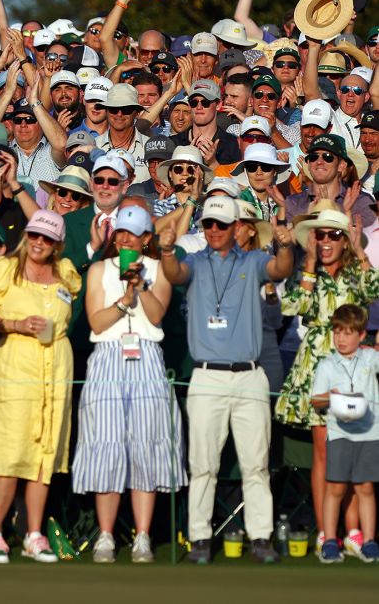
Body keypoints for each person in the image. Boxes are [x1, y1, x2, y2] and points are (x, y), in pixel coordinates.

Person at [159, 196, 294, 564]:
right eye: (208, 225)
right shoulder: (195, 262)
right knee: (202, 464)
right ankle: (200, 538)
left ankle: (261, 537)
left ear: (237, 228)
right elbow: (174, 275)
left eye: (221, 225)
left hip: (249, 374)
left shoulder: (252, 260)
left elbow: (280, 270)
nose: (214, 231)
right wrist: (168, 251)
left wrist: (283, 243)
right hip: (206, 376)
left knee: (256, 464)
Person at [72, 205, 185, 564]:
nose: (124, 240)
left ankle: (142, 536)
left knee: (146, 447)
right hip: (107, 356)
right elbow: (96, 321)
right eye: (120, 233)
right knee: (105, 443)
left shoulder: (156, 269)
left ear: (146, 239)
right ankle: (105, 535)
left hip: (148, 357)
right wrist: (123, 301)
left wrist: (139, 286)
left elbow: (155, 315)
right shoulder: (99, 269)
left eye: (131, 234)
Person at [0, 210, 81, 563]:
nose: (39, 243)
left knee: (44, 452)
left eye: (47, 238)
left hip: (57, 366)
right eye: (34, 235)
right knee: (10, 451)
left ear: (57, 244)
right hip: (16, 364)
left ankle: (34, 534)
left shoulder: (66, 273)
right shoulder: (4, 269)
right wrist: (17, 323)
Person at [276, 208, 378, 557]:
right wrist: (306, 265)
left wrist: (360, 250)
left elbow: (375, 287)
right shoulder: (307, 274)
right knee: (324, 453)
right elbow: (292, 306)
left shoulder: (354, 274)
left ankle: (353, 532)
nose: (326, 241)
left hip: (351, 370)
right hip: (316, 369)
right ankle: (326, 533)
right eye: (320, 235)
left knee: (349, 449)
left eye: (334, 234)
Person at [310, 304, 379, 564]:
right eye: (337, 332)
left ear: (361, 336)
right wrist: (330, 397)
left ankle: (369, 541)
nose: (341, 338)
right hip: (339, 433)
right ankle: (329, 540)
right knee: (336, 487)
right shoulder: (326, 365)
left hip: (370, 433)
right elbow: (315, 401)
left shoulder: (371, 358)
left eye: (348, 333)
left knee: (365, 487)